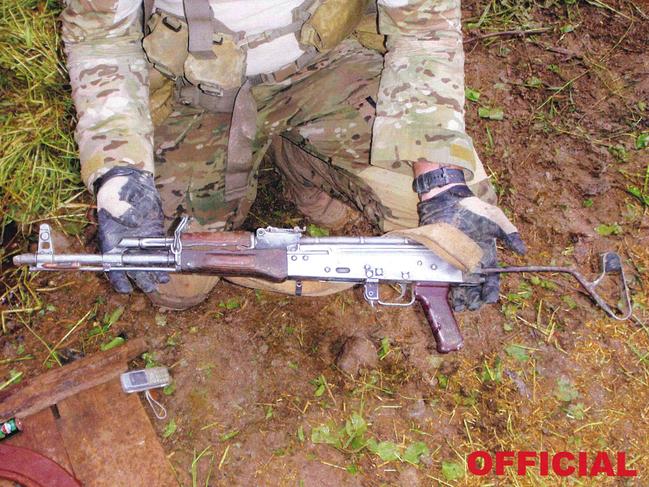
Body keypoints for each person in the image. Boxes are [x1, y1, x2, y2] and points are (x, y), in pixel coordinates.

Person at [60, 0, 525, 311]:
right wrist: (120, 174)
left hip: (331, 66)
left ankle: (297, 162)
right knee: (172, 274)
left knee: (447, 231)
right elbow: (101, 41)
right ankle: (274, 158)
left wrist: (441, 183)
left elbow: (426, 26)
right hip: (192, 93)